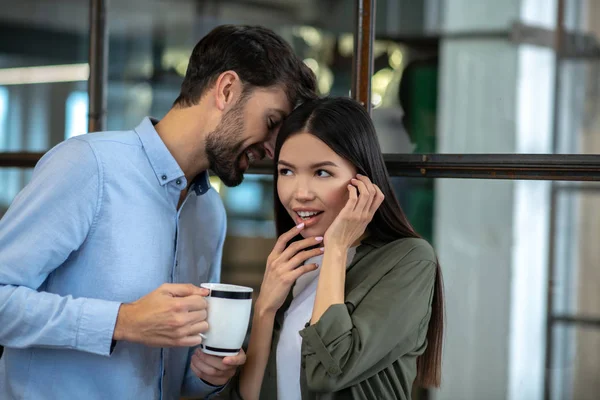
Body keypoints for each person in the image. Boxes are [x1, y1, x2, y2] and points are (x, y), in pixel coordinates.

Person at [0, 25, 316, 399]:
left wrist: (210, 375)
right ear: (227, 89)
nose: (271, 149)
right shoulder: (89, 166)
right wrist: (122, 321)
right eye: (272, 122)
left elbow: (181, 374)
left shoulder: (209, 214)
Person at [205, 97, 444, 399]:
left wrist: (337, 248)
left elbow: (328, 372)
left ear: (362, 182)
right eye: (286, 172)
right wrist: (265, 309)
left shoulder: (409, 260)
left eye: (322, 173)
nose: (299, 194)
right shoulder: (295, 262)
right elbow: (250, 395)